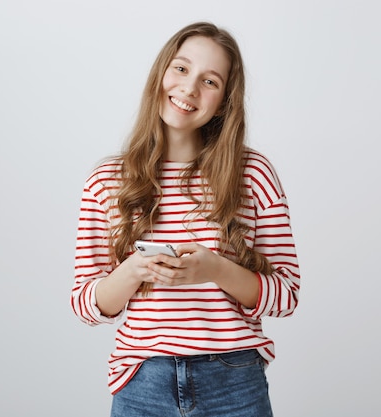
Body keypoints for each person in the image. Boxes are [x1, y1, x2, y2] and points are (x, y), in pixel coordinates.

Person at [71, 21, 300, 417]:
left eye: (210, 81)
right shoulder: (107, 180)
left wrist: (215, 269)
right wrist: (133, 271)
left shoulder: (253, 173)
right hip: (142, 381)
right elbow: (85, 304)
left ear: (225, 99)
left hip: (234, 382)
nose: (190, 89)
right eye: (181, 69)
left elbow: (287, 295)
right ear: (161, 72)